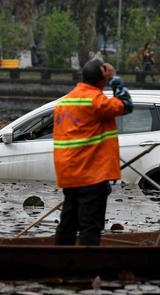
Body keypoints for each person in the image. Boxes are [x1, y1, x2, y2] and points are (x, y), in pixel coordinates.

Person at [53, 58, 133, 246]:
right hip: (90, 173)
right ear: (101, 80)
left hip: (69, 173)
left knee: (68, 223)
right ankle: (88, 268)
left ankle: (60, 262)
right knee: (90, 226)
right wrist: (115, 79)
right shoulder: (96, 101)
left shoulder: (65, 102)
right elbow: (126, 104)